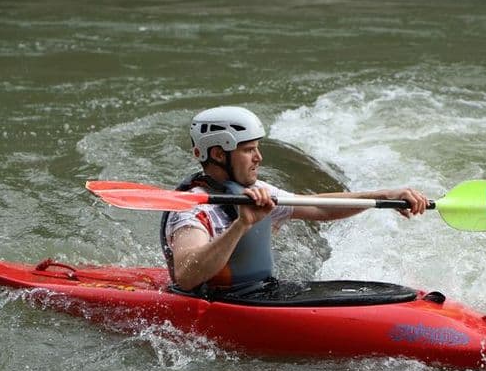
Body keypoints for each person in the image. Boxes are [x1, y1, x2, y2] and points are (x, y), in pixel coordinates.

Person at [161, 106, 428, 295]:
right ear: (219, 154)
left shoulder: (255, 191)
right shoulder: (191, 209)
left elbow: (319, 207)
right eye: (248, 150)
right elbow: (187, 277)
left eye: (257, 148)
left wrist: (384, 195)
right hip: (216, 301)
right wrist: (241, 225)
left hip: (259, 292)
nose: (259, 158)